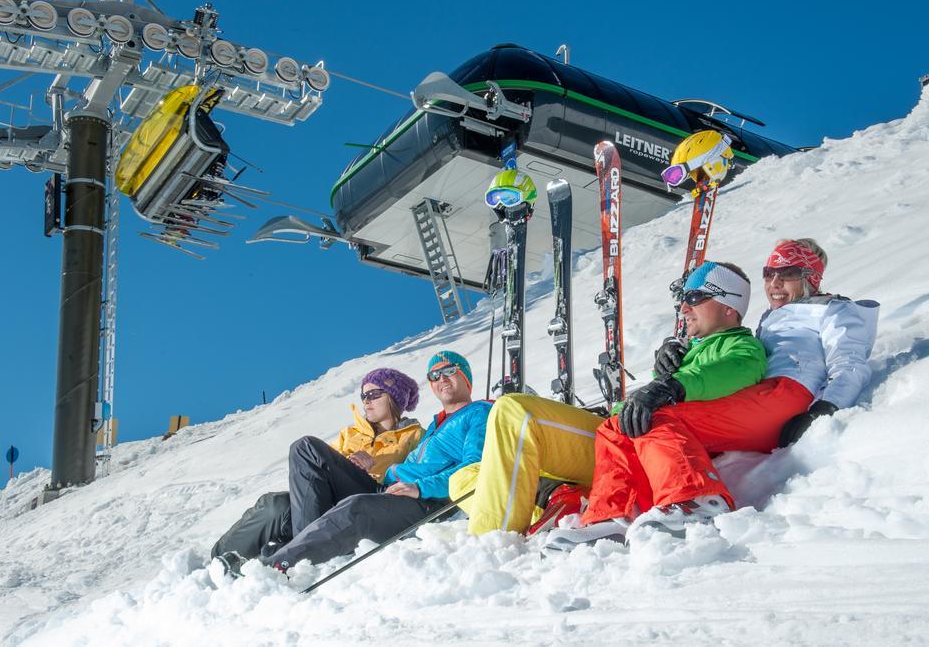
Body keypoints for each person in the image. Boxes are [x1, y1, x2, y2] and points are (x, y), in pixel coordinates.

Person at [557, 238, 879, 545]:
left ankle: (696, 501)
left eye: (788, 274)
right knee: (622, 424)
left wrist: (823, 410)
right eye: (769, 273)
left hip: (787, 394)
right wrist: (680, 349)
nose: (775, 283)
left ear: (811, 278)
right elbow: (721, 345)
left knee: (658, 415)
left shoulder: (834, 310)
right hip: (757, 397)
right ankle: (610, 518)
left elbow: (849, 364)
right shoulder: (772, 318)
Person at [453, 261, 767, 537]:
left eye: (695, 298)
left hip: (633, 445)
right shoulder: (687, 351)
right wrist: (672, 360)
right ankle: (559, 503)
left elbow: (728, 372)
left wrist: (669, 385)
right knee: (462, 478)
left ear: (729, 306)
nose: (684, 308)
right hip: (615, 436)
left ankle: (491, 541)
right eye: (683, 299)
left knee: (515, 412)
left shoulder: (743, 348)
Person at [259, 351, 492, 571]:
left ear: (465, 376)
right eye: (434, 375)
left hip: (425, 501)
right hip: (388, 487)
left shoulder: (478, 413)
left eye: (449, 370)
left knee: (357, 507)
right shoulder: (436, 425)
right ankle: (299, 549)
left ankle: (283, 565)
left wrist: (421, 488)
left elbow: (473, 470)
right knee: (306, 449)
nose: (441, 378)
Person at [210, 368, 423, 576]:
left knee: (305, 447)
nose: (366, 400)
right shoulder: (350, 433)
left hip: (371, 499)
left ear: (396, 398)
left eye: (374, 394)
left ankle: (297, 553)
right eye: (364, 395)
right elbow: (316, 472)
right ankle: (218, 562)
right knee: (277, 505)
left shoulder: (415, 436)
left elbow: (413, 476)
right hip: (331, 505)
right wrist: (347, 463)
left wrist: (375, 468)